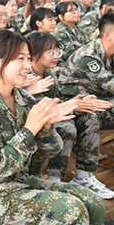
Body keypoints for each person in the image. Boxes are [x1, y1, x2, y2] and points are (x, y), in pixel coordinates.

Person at [0, 30, 106, 225]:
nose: (27, 66)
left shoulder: (22, 98)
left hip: (19, 181)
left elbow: (47, 152)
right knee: (70, 210)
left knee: (92, 201)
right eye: (20, 59)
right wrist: (30, 129)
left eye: (28, 58)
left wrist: (47, 126)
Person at [26, 32, 113, 198]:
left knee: (89, 115)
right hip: (33, 121)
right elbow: (37, 109)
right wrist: (73, 105)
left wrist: (79, 103)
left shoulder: (50, 74)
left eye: (58, 51)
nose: (56, 56)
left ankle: (83, 175)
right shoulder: (27, 75)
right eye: (51, 52)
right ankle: (53, 178)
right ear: (35, 54)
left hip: (52, 113)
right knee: (66, 126)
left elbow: (56, 101)